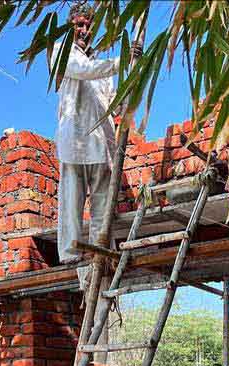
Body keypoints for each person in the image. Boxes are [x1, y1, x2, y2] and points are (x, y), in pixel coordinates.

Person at [52, 2, 142, 287]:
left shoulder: (101, 62)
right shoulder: (62, 51)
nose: (84, 31)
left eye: (88, 26)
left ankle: (102, 248)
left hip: (101, 141)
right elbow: (85, 70)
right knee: (72, 198)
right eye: (79, 25)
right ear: (70, 27)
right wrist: (123, 60)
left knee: (103, 203)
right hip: (75, 140)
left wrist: (132, 80)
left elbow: (115, 98)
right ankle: (70, 252)